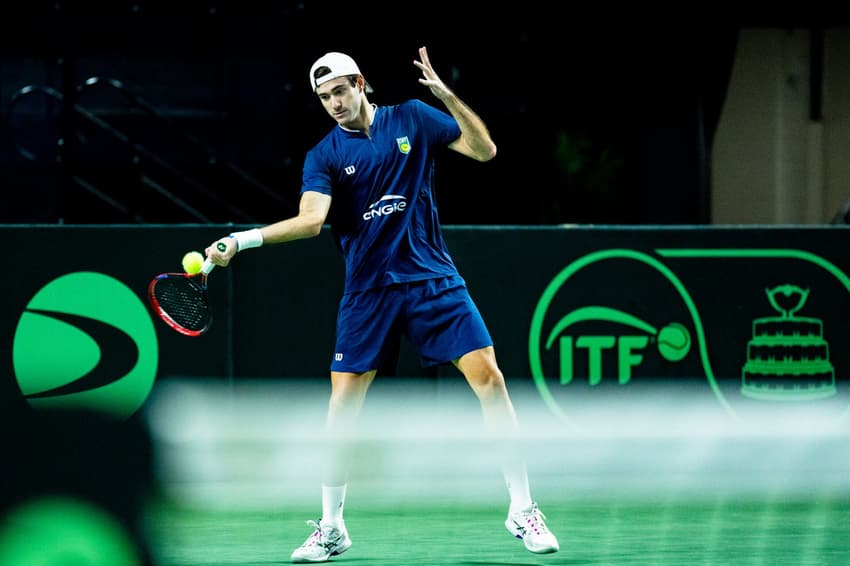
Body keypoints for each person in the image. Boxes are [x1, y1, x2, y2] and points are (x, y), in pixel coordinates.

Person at [205, 46, 559, 563]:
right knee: (342, 408)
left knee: (490, 378)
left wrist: (446, 96)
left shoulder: (413, 119)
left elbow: (484, 151)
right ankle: (331, 528)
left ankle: (523, 509)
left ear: (361, 83)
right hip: (368, 292)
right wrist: (242, 240)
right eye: (323, 97)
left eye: (340, 91)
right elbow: (310, 221)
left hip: (431, 277)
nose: (333, 103)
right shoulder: (324, 155)